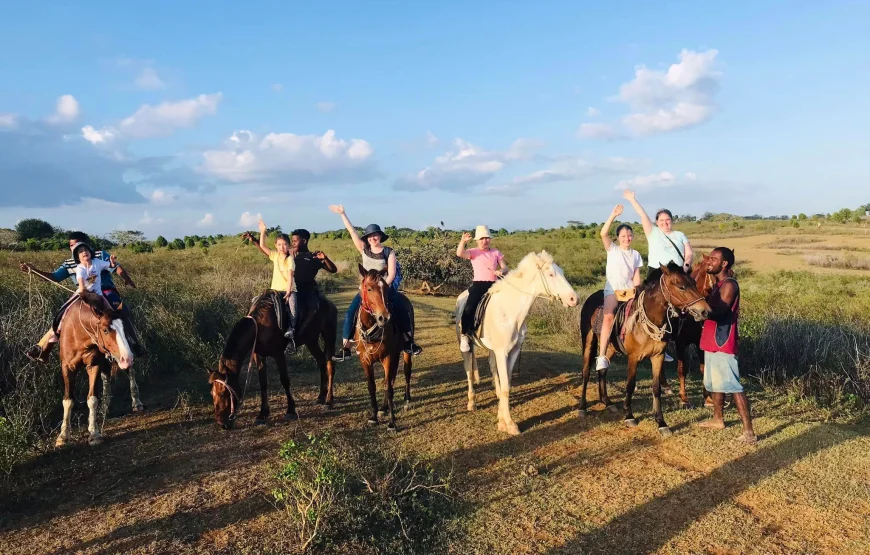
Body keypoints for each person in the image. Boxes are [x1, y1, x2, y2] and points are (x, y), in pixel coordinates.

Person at [19, 231, 144, 362]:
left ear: (86, 244)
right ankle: (42, 348)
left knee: (120, 311)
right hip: (84, 293)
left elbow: (116, 267)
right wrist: (34, 270)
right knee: (62, 314)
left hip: (105, 291)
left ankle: (134, 344)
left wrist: (128, 279)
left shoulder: (100, 255)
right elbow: (54, 277)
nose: (73, 247)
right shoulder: (69, 263)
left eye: (77, 244)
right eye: (71, 245)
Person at [328, 204, 422, 358]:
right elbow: (352, 232)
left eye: (375, 235)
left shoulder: (388, 251)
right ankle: (346, 347)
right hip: (366, 290)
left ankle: (408, 342)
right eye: (370, 236)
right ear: (367, 238)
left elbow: (391, 273)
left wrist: (384, 287)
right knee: (350, 312)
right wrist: (343, 214)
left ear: (380, 236)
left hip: (385, 288)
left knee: (401, 309)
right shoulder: (364, 249)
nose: (373, 238)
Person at [622, 189, 694, 362]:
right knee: (651, 307)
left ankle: (672, 342)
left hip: (677, 274)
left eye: (668, 220)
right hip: (657, 273)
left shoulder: (679, 235)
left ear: (672, 220)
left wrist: (686, 265)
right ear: (657, 222)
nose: (665, 223)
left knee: (686, 304)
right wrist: (633, 200)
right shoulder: (652, 232)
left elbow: (689, 253)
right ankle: (633, 337)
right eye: (661, 220)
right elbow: (643, 215)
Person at [697, 247, 756, 444]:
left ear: (724, 264)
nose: (709, 261)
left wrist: (698, 306)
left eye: (714, 259)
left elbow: (720, 312)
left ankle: (749, 432)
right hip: (712, 340)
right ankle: (717, 419)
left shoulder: (729, 285)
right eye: (709, 258)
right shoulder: (717, 284)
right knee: (716, 383)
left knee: (733, 385)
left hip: (723, 339)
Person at [595, 205, 643, 370]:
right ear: (618, 237)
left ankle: (656, 348)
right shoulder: (612, 249)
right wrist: (613, 215)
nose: (627, 238)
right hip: (613, 290)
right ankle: (601, 355)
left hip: (629, 290)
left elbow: (636, 275)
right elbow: (603, 233)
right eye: (623, 235)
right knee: (608, 316)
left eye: (629, 235)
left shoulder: (636, 254)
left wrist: (639, 291)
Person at [246, 219, 298, 347]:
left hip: (288, 290)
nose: (282, 247)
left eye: (285, 244)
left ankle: (291, 330)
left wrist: (288, 292)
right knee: (255, 300)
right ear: (275, 245)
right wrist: (262, 232)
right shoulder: (274, 255)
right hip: (274, 290)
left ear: (289, 246)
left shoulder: (290, 259)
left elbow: (290, 277)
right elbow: (263, 246)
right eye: (279, 244)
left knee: (292, 308)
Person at [456, 225, 507, 353]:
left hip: (495, 285)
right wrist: (463, 241)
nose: (485, 241)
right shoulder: (473, 252)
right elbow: (459, 253)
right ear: (477, 240)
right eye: (482, 238)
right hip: (478, 285)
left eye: (487, 238)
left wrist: (500, 271)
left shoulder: (496, 252)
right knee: (469, 307)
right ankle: (465, 335)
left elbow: (505, 268)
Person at [288, 227, 338, 334]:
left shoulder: (313, 257)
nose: (293, 243)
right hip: (290, 290)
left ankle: (301, 333)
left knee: (312, 310)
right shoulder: (289, 256)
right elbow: (270, 253)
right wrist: (255, 241)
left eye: (295, 241)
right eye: (292, 241)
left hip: (308, 292)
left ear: (304, 241)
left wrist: (325, 258)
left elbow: (333, 270)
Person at [73, 243, 117, 311]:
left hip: (99, 295)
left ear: (90, 253)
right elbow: (81, 287)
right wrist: (86, 294)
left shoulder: (97, 262)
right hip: (85, 294)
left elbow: (111, 266)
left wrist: (113, 263)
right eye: (81, 251)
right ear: (77, 257)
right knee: (66, 308)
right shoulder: (79, 268)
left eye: (86, 250)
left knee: (111, 312)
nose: (84, 252)